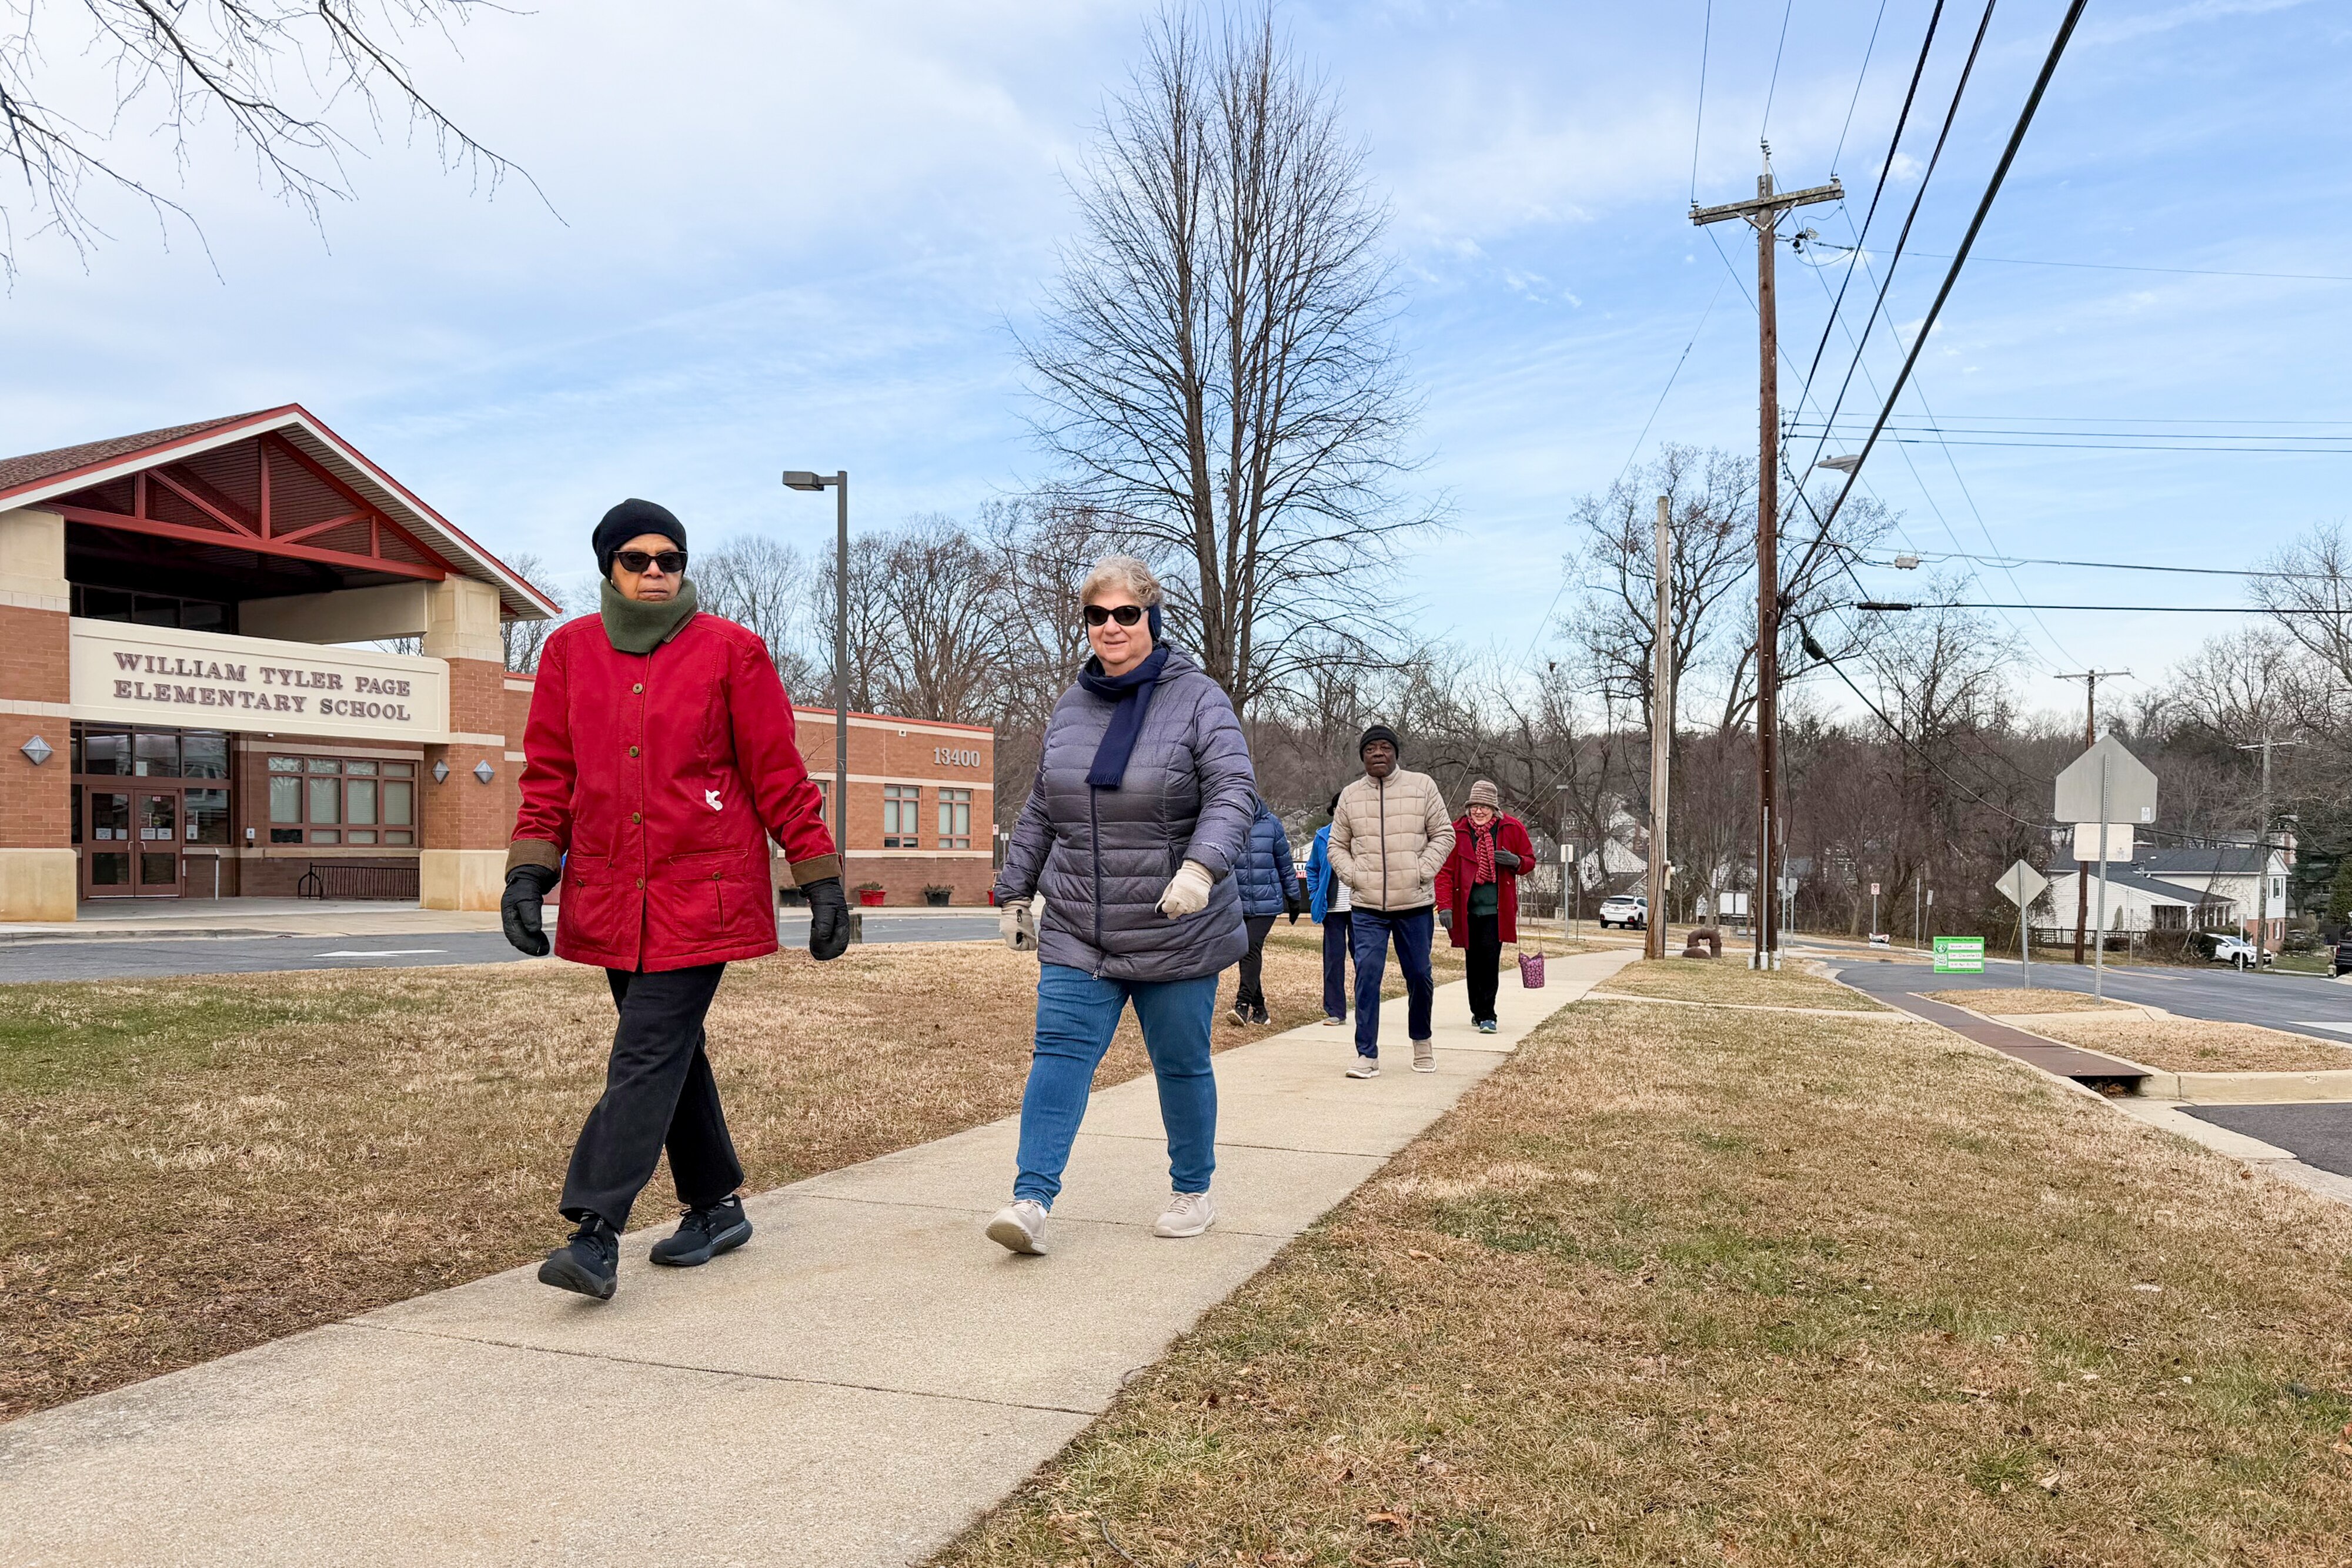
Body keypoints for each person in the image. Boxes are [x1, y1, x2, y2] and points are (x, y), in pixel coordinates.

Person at [502, 498, 851, 1300]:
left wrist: (819, 874)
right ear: (608, 567)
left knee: (646, 1051)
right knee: (671, 1050)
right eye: (638, 558)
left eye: (671, 558)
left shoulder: (733, 650)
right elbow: (551, 774)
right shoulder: (567, 652)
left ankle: (595, 1229)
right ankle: (716, 1202)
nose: (656, 570)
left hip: (707, 893)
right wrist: (529, 871)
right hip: (610, 891)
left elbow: (776, 770)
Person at [987, 554, 1255, 1256]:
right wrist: (1015, 889)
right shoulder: (1072, 704)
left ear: (1152, 616)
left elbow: (1233, 792)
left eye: (1124, 614)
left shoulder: (1198, 698)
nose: (1110, 627)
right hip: (1081, 926)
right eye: (1096, 615)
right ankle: (1030, 1201)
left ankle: (1192, 1190)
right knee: (1059, 1053)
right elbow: (1046, 801)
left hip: (1174, 926)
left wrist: (1201, 868)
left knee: (1180, 1063)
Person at [1326, 726, 1454, 1078]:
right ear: (1363, 757)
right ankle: (1366, 1054)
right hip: (1367, 906)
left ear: (1396, 753)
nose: (1378, 754)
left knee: (1420, 975)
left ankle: (1422, 1040)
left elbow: (1444, 834)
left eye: (1385, 747)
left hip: (1413, 904)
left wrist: (1421, 870)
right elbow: (1336, 845)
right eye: (1370, 749)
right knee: (1367, 974)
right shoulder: (1350, 796)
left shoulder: (1422, 786)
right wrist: (1354, 875)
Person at [1434, 780, 1534, 1034]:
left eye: (1484, 807)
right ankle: (1477, 1009)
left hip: (1496, 911)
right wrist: (1444, 906)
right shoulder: (1456, 832)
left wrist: (1516, 861)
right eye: (1474, 807)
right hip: (1466, 910)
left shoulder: (1512, 828)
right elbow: (1444, 873)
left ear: (1494, 809)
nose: (1479, 812)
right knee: (1473, 961)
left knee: (1490, 960)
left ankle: (1488, 1014)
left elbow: (1529, 861)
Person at [1228, 794, 1300, 1026]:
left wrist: (1294, 898)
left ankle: (1242, 1005)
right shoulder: (1230, 823)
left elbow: (1285, 863)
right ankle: (1260, 1010)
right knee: (1245, 951)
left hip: (1266, 903)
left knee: (1249, 946)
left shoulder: (1272, 824)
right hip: (1238, 901)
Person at [1303, 792, 1352, 1027]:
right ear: (1334, 811)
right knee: (1333, 961)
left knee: (1365, 960)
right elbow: (1312, 869)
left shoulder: (1364, 835)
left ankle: (1366, 1009)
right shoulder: (1323, 836)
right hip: (1332, 909)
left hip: (1361, 906)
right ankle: (1335, 1011)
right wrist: (1316, 894)